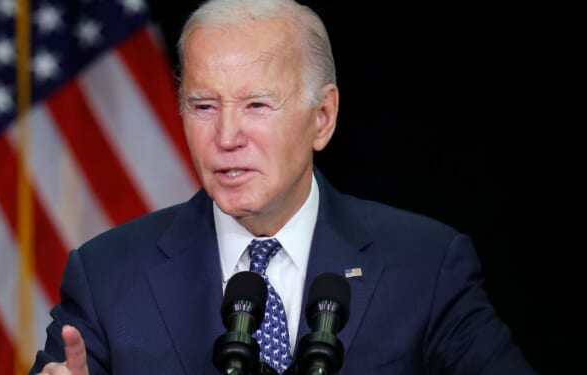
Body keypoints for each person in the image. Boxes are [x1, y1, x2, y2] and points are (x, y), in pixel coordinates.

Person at [30, 0, 538, 374]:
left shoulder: (425, 267)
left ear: (323, 117)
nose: (226, 137)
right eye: (204, 106)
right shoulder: (107, 276)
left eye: (257, 105)